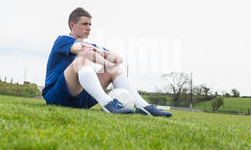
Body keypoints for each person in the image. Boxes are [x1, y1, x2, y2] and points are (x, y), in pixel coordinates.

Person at [42, 7, 172, 117]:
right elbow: (84, 52)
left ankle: (143, 107)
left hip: (80, 100)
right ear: (72, 25)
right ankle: (107, 104)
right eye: (84, 24)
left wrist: (99, 51)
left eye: (90, 24)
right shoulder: (62, 40)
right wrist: (107, 63)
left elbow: (119, 59)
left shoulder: (90, 45)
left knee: (114, 69)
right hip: (57, 96)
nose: (89, 28)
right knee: (82, 60)